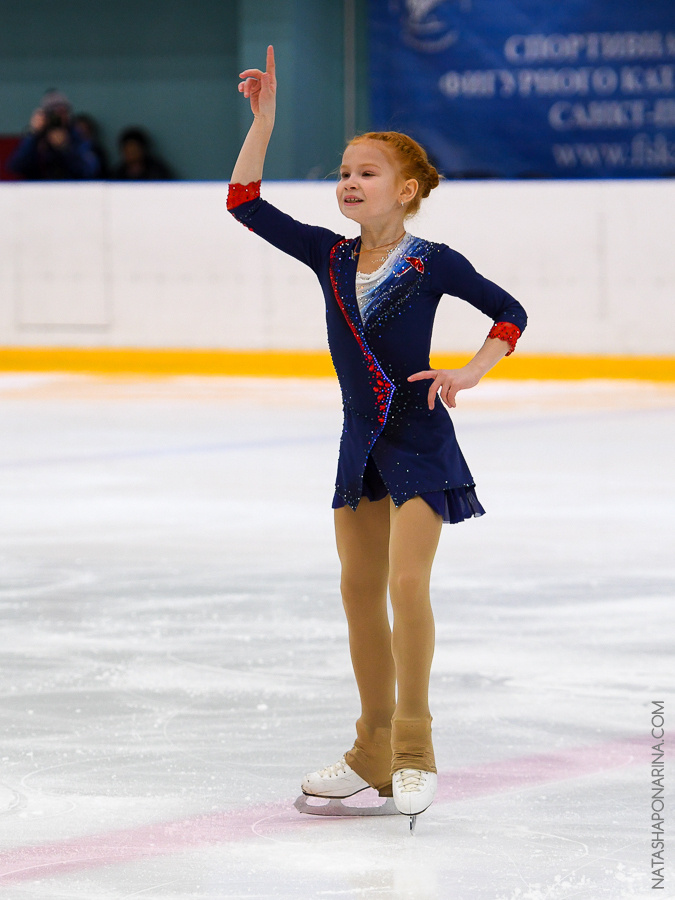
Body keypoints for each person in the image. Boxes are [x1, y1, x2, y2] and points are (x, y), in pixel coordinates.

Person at [227, 46, 527, 827]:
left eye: (366, 172)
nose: (349, 182)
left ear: (408, 190)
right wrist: (262, 121)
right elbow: (244, 201)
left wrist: (472, 371)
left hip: (421, 439)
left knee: (403, 585)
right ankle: (369, 749)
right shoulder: (328, 256)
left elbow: (507, 313)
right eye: (344, 171)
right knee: (358, 593)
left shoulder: (432, 262)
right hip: (358, 441)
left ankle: (414, 750)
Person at [9, 89, 101, 180]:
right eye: (53, 112)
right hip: (39, 189)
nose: (58, 117)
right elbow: (16, 166)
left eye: (63, 112)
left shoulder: (77, 135)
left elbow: (89, 169)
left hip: (70, 189)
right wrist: (33, 135)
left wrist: (65, 148)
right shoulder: (37, 137)